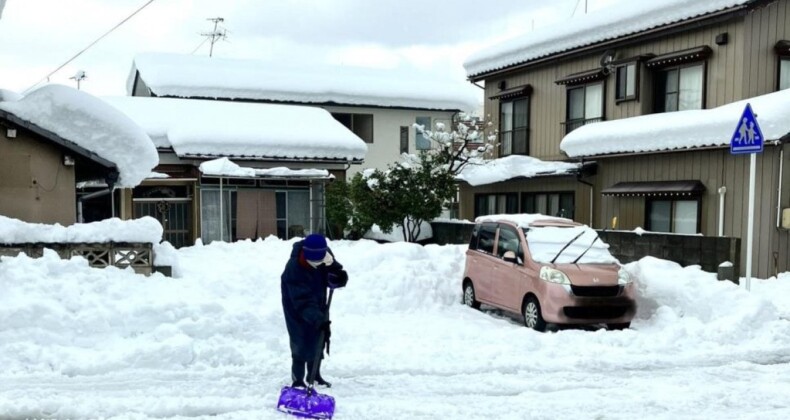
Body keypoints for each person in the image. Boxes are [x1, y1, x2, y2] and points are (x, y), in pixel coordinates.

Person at [281, 233, 348, 389]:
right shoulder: (294, 268)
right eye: (315, 261)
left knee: (318, 338)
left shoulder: (324, 254)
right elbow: (302, 300)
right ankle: (298, 380)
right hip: (296, 306)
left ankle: (315, 375)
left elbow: (336, 270)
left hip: (318, 300)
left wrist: (339, 277)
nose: (318, 263)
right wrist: (318, 319)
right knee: (300, 341)